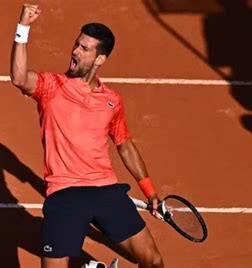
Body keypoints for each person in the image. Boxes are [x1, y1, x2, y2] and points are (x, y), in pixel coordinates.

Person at [10, 4, 164, 268]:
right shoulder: (51, 87)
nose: (75, 51)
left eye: (84, 48)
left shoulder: (112, 100)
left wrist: (149, 192)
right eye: (76, 44)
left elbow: (124, 144)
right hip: (65, 193)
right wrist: (22, 28)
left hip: (106, 191)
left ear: (100, 59)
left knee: (153, 262)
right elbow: (19, 77)